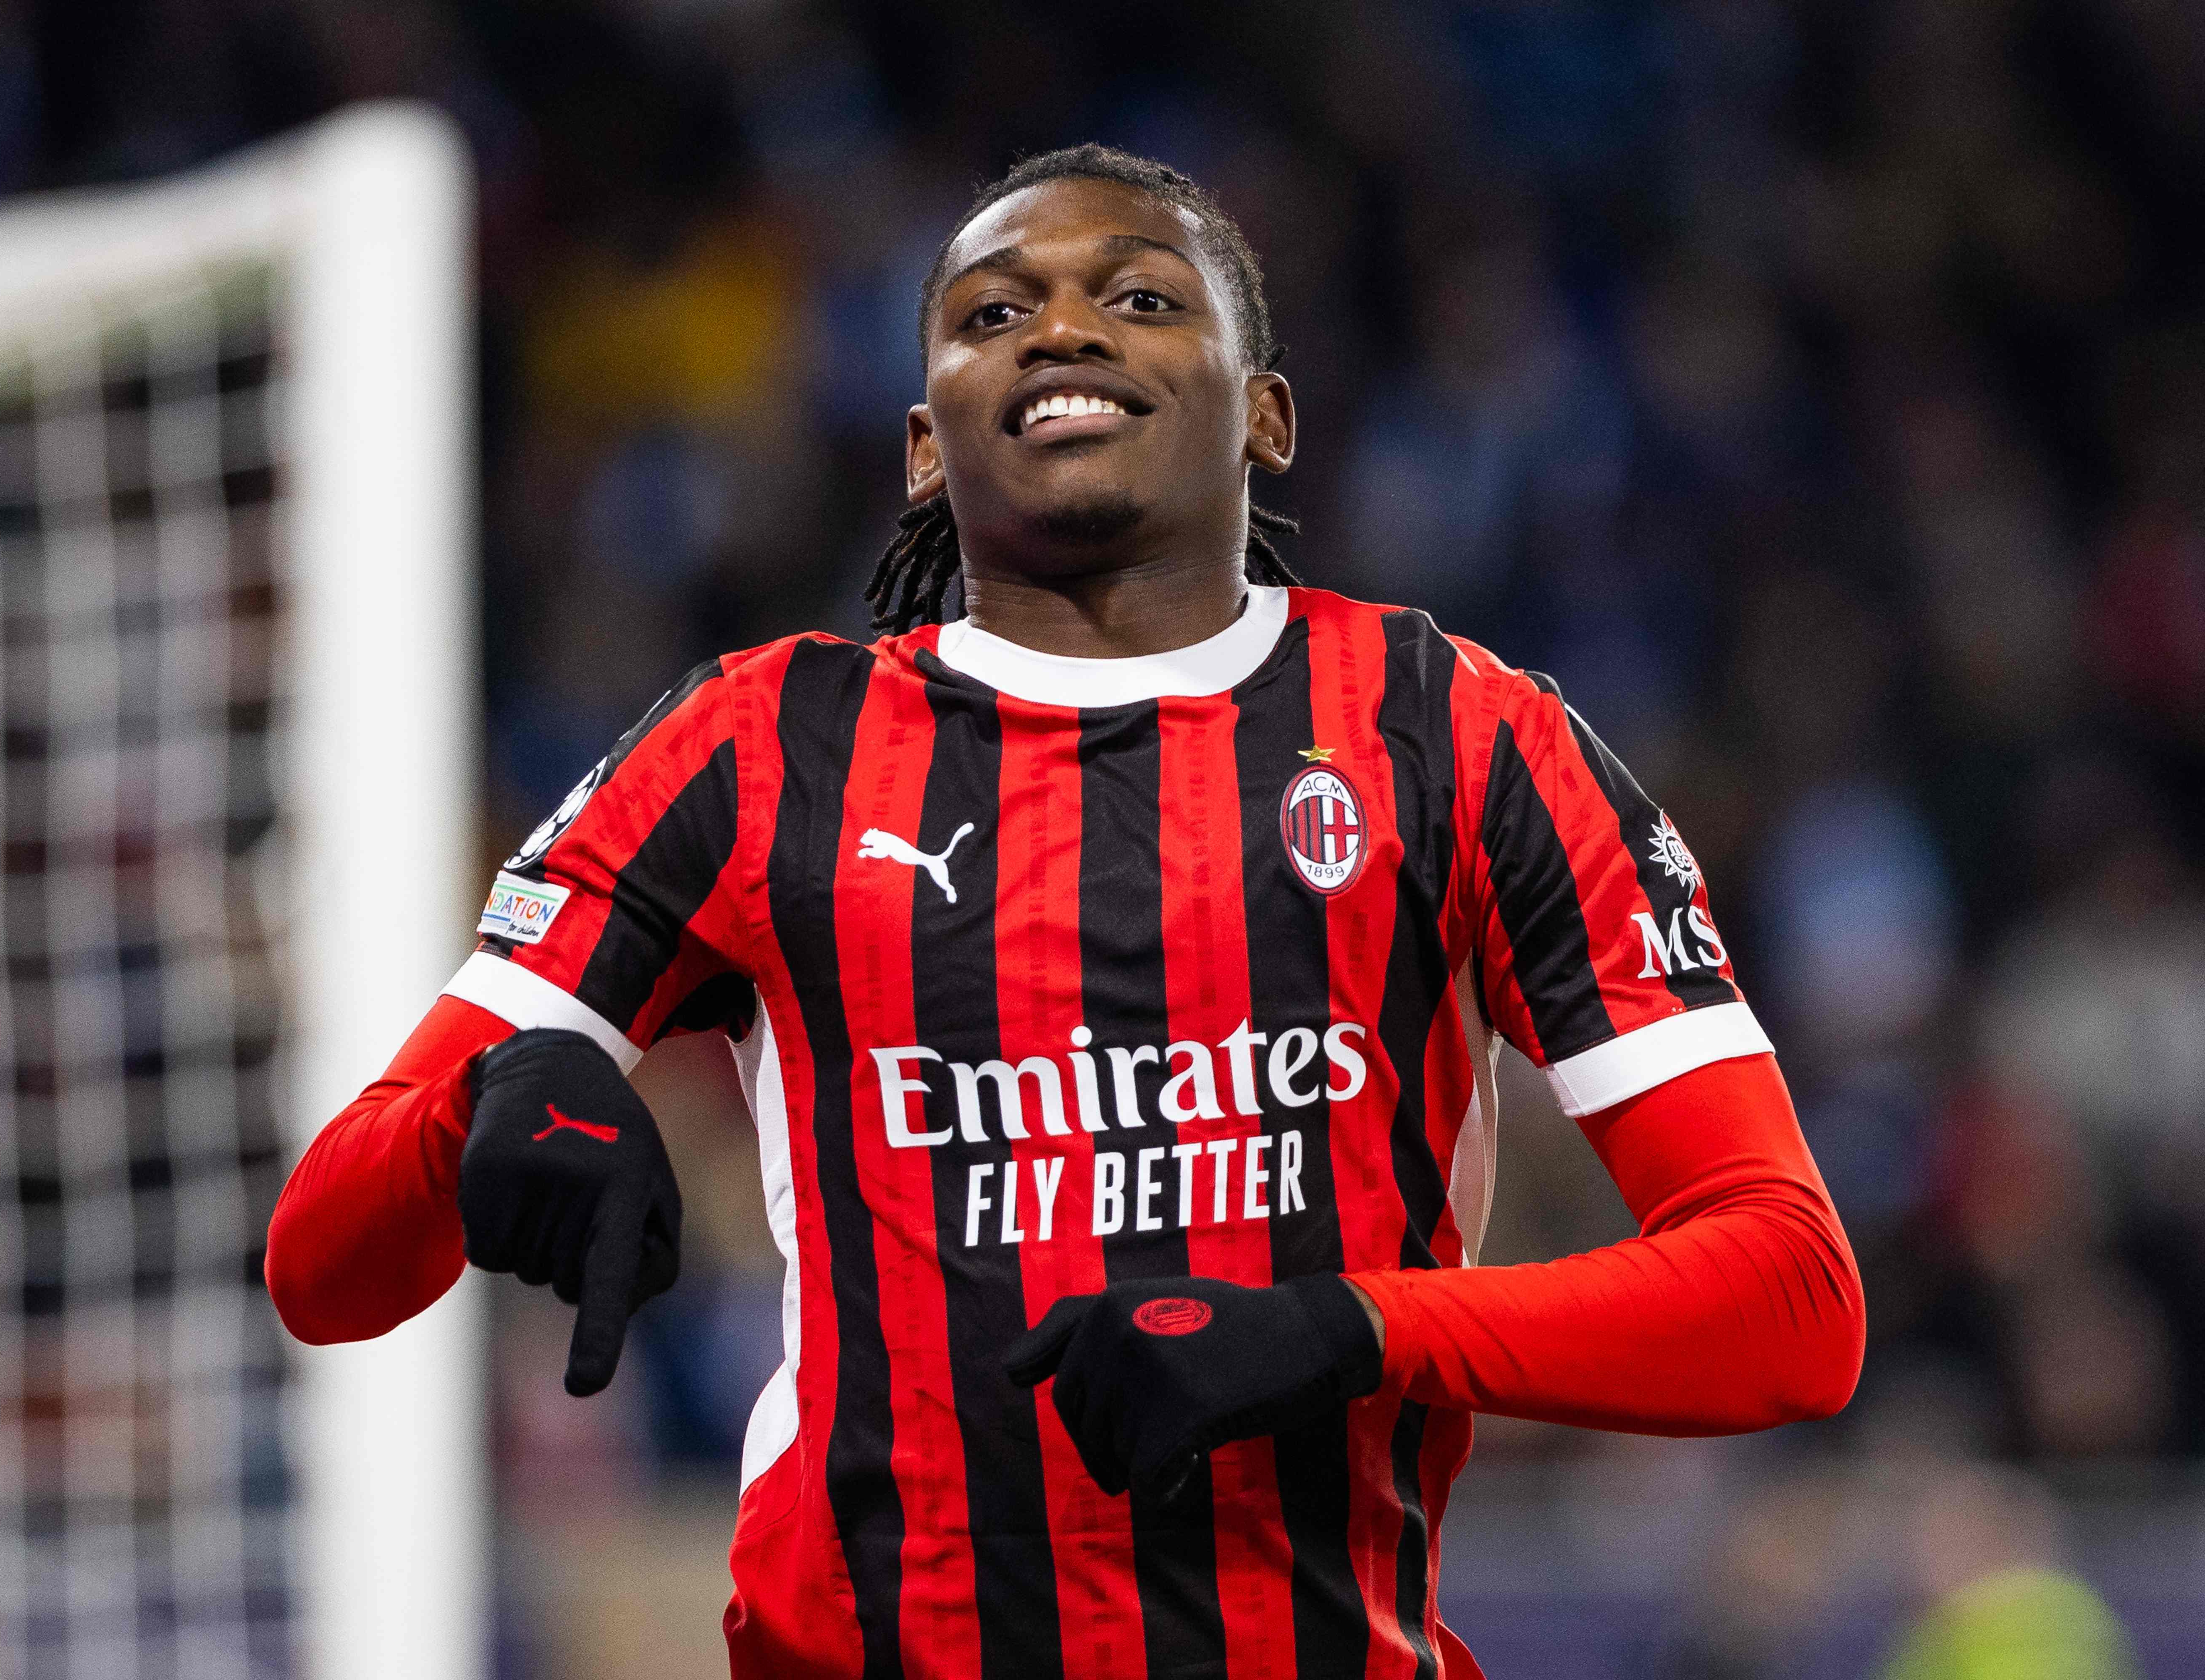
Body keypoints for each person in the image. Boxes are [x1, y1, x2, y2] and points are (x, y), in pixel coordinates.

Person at [265, 144, 1866, 1679]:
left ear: (1269, 417)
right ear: (920, 440)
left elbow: (1791, 1304)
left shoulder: (1459, 734)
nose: (1065, 328)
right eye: (993, 310)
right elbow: (326, 1270)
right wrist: (482, 1108)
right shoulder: (753, 747)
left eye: (1145, 296)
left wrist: (1344, 1332)